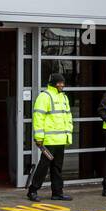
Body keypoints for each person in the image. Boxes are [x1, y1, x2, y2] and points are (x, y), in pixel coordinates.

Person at [27, 72, 73, 201]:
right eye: (60, 83)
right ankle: (33, 190)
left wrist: (68, 136)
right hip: (49, 140)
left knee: (57, 167)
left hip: (60, 140)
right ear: (54, 83)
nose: (62, 85)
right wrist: (39, 138)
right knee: (43, 166)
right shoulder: (44, 96)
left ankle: (57, 192)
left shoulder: (64, 97)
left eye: (63, 83)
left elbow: (67, 118)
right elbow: (38, 118)